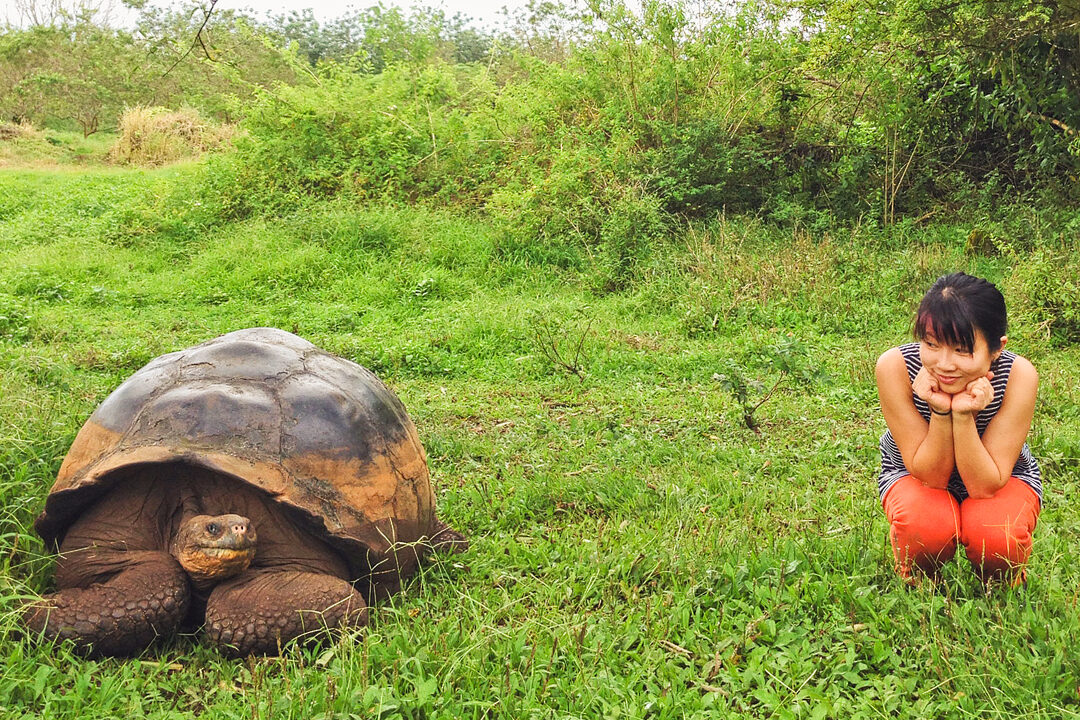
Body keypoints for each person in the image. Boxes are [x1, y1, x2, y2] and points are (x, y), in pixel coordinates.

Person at [875, 272, 1041, 585]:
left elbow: (985, 486)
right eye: (932, 344)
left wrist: (964, 416)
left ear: (996, 349)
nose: (944, 363)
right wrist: (940, 410)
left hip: (998, 477)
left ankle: (1002, 584)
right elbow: (931, 476)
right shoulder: (895, 367)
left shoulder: (1019, 375)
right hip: (917, 475)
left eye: (962, 349)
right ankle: (919, 579)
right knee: (925, 526)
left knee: (997, 537)